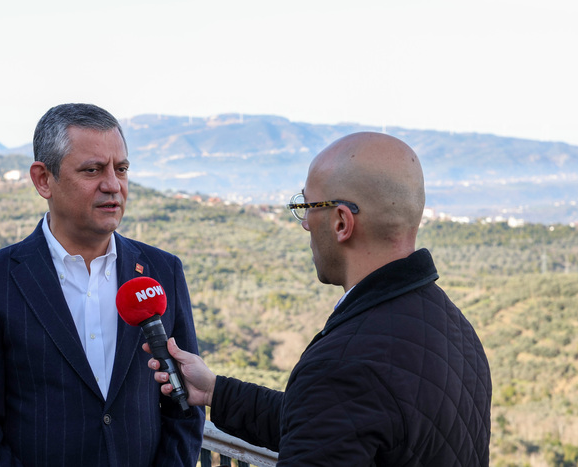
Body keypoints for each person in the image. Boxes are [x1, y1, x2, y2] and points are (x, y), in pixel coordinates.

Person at [149, 132, 492, 465]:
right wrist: (214, 392)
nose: (305, 224)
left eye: (307, 206)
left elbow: (336, 404)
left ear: (342, 222)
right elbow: (331, 419)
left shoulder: (344, 364)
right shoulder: (454, 325)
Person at [0, 103, 205, 466]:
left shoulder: (163, 271)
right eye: (92, 170)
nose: (113, 185)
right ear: (43, 179)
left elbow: (184, 405)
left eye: (121, 169)